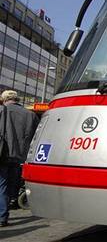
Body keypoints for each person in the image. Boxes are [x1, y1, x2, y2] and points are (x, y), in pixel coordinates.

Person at [0, 90, 39, 227]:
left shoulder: (2, 111)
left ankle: (2, 217)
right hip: (20, 157)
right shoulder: (30, 115)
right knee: (13, 185)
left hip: (2, 155)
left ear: (4, 99)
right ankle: (9, 206)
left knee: (2, 185)